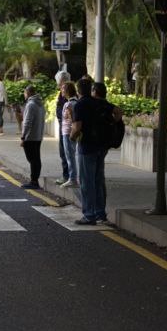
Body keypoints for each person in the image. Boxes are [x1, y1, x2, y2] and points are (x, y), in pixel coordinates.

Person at [71, 77, 115, 225]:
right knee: (98, 180)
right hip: (101, 146)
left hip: (87, 146)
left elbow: (77, 128)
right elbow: (118, 111)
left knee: (86, 182)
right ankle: (100, 213)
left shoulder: (79, 105)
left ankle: (89, 215)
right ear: (90, 89)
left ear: (78, 91)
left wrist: (72, 138)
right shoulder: (99, 102)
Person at [20, 84, 45, 189]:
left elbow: (27, 122)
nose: (24, 95)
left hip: (30, 136)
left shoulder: (30, 104)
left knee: (32, 159)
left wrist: (23, 137)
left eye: (25, 93)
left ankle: (34, 181)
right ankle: (35, 180)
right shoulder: (40, 104)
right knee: (36, 158)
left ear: (28, 93)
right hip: (38, 135)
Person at [57, 81, 78, 189]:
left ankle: (72, 179)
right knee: (70, 156)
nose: (61, 91)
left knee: (70, 156)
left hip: (68, 133)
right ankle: (72, 178)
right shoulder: (73, 102)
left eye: (63, 89)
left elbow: (73, 119)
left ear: (68, 90)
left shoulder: (69, 104)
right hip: (68, 132)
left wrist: (72, 133)